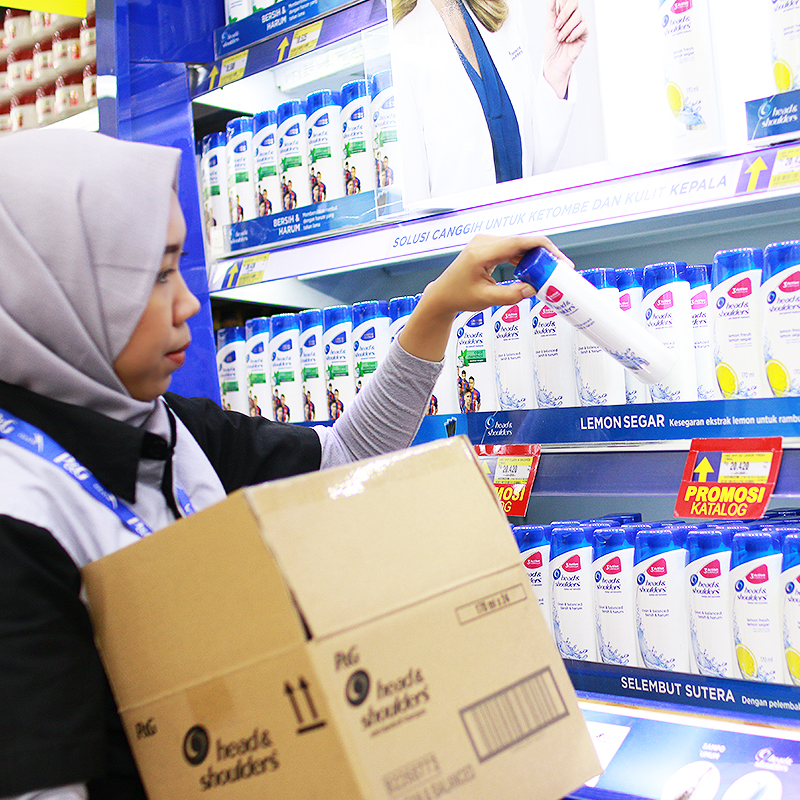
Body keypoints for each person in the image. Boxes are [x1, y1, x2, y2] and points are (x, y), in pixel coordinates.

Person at [0, 128, 563, 800]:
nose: (188, 305)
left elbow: (345, 462)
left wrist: (437, 309)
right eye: (156, 276)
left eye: (180, 267)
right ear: (52, 291)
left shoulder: (171, 426)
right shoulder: (18, 517)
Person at [391, 0, 587, 202]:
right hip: (462, 225)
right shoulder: (400, 45)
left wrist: (555, 73)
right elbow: (414, 206)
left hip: (523, 219)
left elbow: (529, 164)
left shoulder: (502, 11)